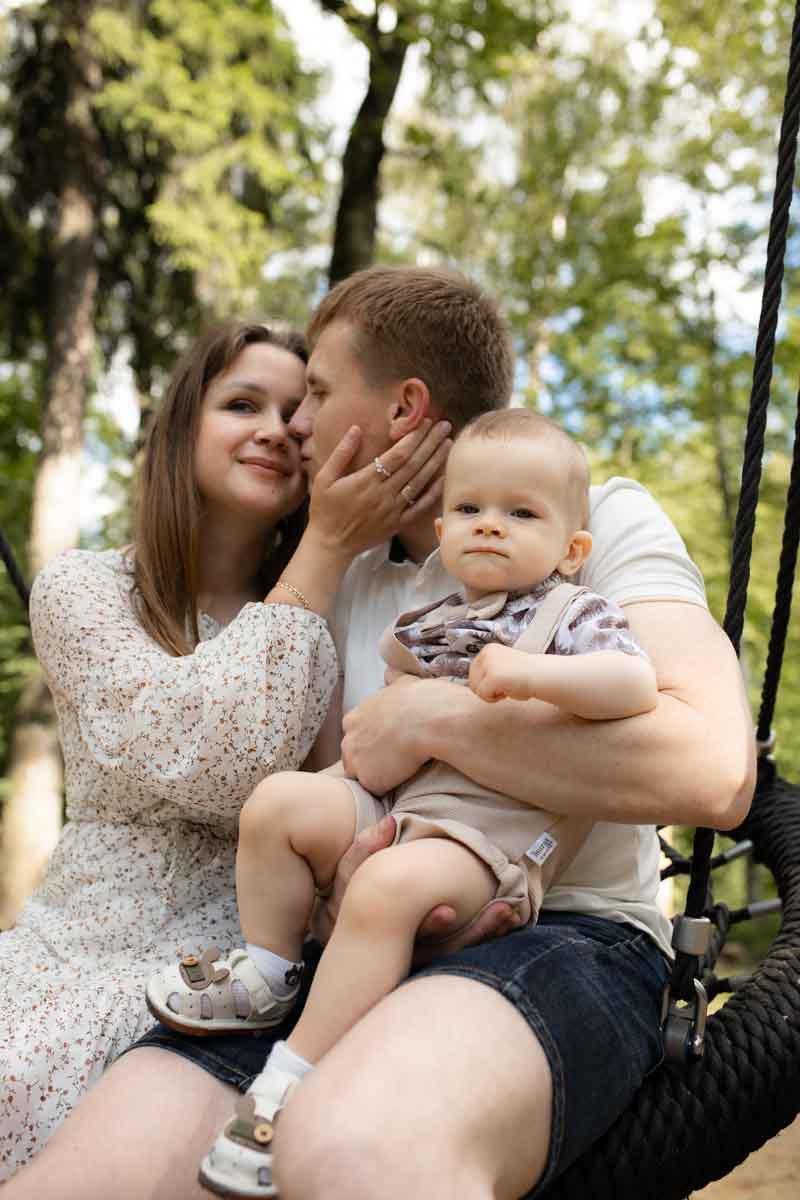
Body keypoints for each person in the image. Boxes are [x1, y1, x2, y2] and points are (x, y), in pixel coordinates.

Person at [4, 266, 754, 1200]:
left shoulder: (594, 521)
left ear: (403, 406)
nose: (296, 425)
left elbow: (717, 770)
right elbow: (313, 789)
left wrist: (436, 716)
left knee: (348, 1150)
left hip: (570, 933)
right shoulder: (342, 576)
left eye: (314, 391)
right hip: (353, 945)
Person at [144, 407, 660, 1198]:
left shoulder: (574, 613)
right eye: (470, 510)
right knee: (280, 803)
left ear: (572, 548)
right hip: (398, 804)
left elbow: (631, 683)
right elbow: (379, 719)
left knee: (385, 888)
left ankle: (285, 1081)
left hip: (489, 841)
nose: (489, 527)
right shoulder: (431, 619)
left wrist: (531, 677)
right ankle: (270, 970)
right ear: (445, 523)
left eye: (520, 514)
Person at [0, 316, 450, 1180]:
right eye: (243, 403)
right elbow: (196, 753)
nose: (278, 430)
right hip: (72, 948)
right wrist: (321, 549)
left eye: (298, 412)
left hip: (244, 971)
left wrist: (323, 553)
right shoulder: (86, 591)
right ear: (183, 428)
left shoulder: (346, 610)